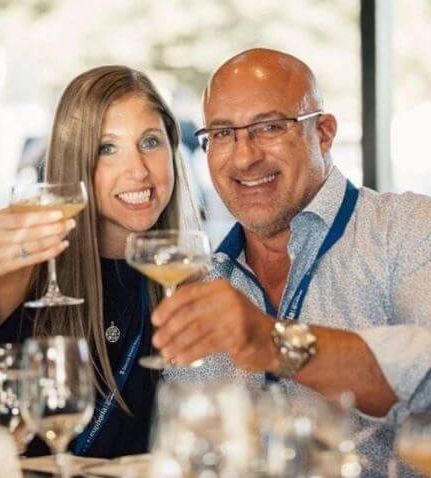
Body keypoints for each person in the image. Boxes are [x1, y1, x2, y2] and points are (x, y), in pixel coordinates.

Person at [151, 48, 431, 477]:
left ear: (324, 133)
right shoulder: (199, 283)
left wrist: (272, 342)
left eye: (269, 127)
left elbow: (426, 375)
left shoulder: (407, 229)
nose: (244, 157)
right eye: (223, 134)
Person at [0, 65, 197, 458]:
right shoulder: (20, 265)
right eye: (107, 148)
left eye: (150, 142)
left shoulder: (188, 281)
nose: (137, 170)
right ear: (75, 160)